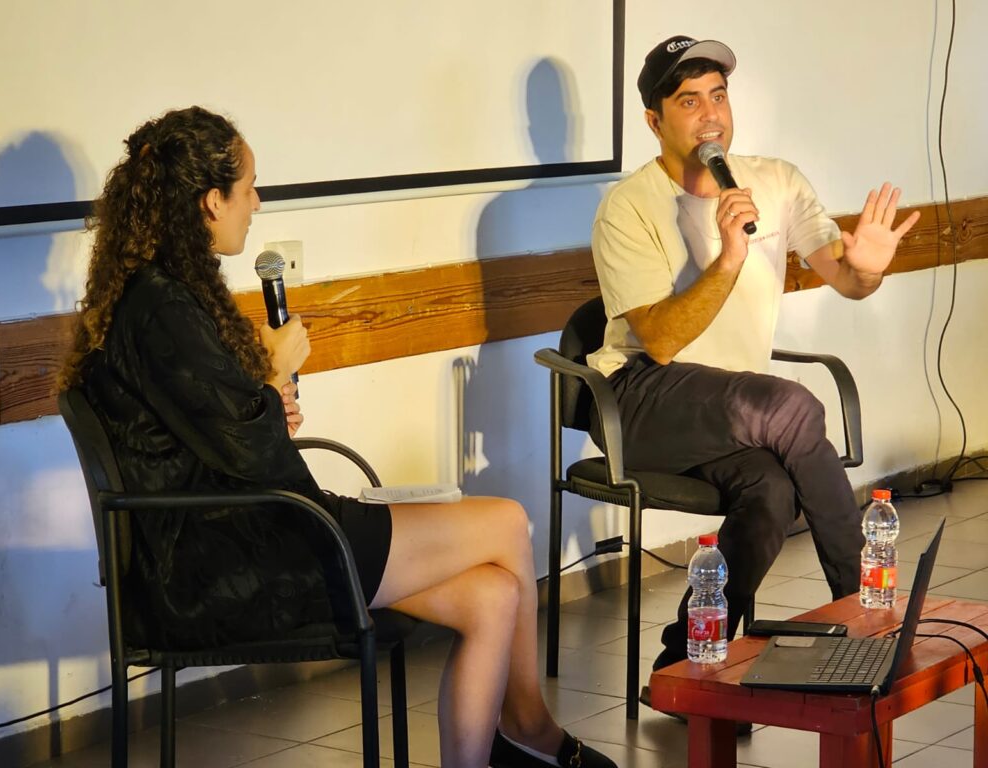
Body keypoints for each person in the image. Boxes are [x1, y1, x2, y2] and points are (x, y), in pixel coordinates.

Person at [58, 107, 615, 768]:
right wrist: (272, 376)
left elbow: (221, 435)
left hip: (245, 535)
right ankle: (531, 725)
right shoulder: (161, 307)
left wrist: (264, 400)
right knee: (507, 523)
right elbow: (252, 454)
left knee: (492, 596)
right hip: (232, 564)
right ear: (211, 202)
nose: (256, 204)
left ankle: (502, 742)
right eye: (249, 189)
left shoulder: (159, 294)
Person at [587, 37, 920, 703]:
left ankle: (684, 670)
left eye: (718, 95)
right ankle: (868, 612)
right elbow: (661, 341)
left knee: (770, 492)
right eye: (689, 101)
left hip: (735, 414)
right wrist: (729, 257)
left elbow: (846, 278)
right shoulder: (627, 207)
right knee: (792, 406)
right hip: (641, 400)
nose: (710, 114)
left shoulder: (774, 182)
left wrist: (868, 270)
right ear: (654, 121)